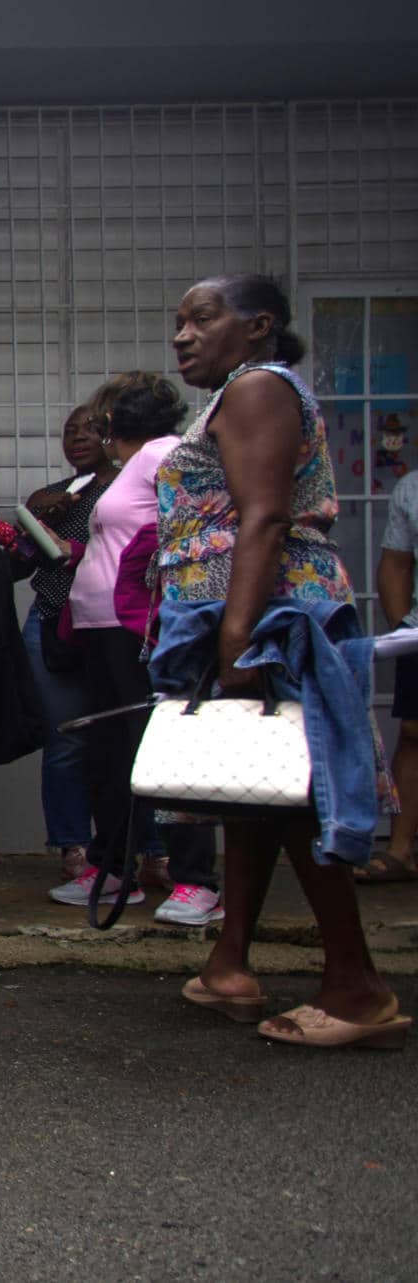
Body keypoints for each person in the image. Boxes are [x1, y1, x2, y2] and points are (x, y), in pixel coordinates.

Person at [160, 272, 405, 1048]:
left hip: (270, 612)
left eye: (201, 319)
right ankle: (228, 960)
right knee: (254, 789)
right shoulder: (241, 390)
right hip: (249, 608)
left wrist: (237, 637)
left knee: (297, 792)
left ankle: (357, 987)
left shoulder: (259, 388)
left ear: (259, 324)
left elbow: (263, 516)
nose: (182, 335)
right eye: (179, 323)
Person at [50, 373, 222, 924]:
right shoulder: (132, 467)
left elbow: (187, 534)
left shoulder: (163, 455)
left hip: (138, 631)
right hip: (101, 629)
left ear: (114, 422)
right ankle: (114, 866)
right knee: (111, 756)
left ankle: (196, 880)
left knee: (162, 753)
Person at [14, 408, 115, 881]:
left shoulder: (129, 490)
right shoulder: (54, 496)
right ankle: (73, 846)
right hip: (53, 621)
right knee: (65, 739)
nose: (77, 440)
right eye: (69, 433)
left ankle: (144, 848)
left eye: (89, 431)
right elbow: (19, 564)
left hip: (114, 625)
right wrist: (36, 523)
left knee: (126, 738)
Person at [366, 469, 418, 883]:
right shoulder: (411, 487)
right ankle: (401, 850)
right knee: (415, 733)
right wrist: (404, 628)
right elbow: (396, 562)